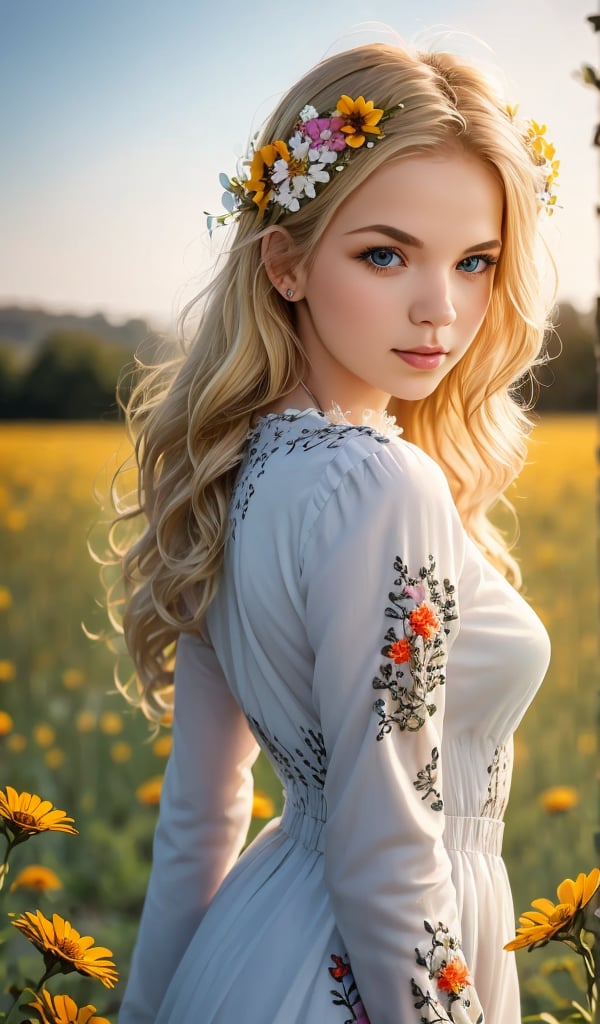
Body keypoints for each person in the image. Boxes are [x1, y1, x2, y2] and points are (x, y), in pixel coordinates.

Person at [114, 40, 557, 1024]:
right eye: (385, 254)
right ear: (286, 262)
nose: (442, 308)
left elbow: (200, 819)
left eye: (476, 262)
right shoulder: (379, 483)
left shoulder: (229, 472)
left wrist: (147, 1012)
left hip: (244, 962)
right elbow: (391, 856)